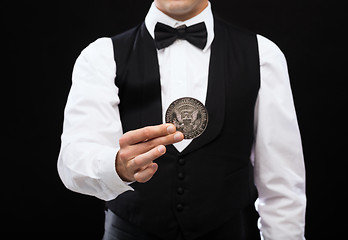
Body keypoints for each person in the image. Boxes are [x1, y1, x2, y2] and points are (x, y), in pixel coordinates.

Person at [57, 0, 306, 239]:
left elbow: (282, 185)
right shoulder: (101, 56)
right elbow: (73, 159)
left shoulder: (263, 56)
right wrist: (116, 167)